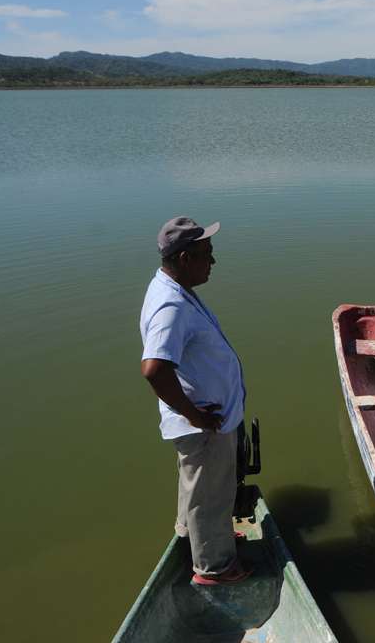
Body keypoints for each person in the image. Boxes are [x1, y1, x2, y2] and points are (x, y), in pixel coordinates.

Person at [139, 216, 251, 585]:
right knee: (211, 494)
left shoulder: (174, 289)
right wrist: (195, 416)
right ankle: (215, 568)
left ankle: (197, 536)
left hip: (206, 419)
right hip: (206, 424)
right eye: (207, 254)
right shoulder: (170, 307)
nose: (213, 261)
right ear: (185, 258)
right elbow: (154, 369)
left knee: (200, 487)